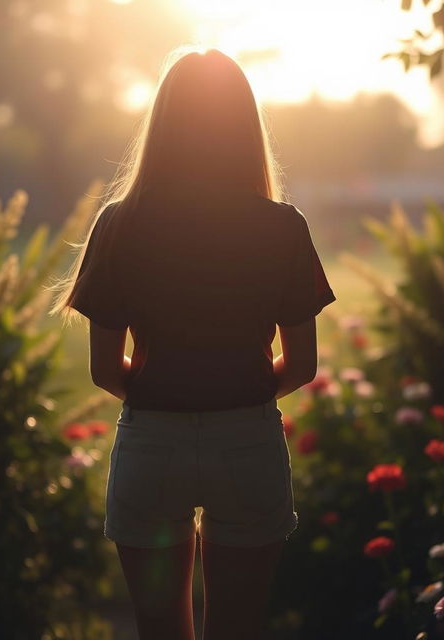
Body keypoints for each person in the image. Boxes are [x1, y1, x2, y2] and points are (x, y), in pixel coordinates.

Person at [51, 46, 336, 640]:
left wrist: (166, 395)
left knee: (159, 629)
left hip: (152, 443)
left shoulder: (119, 223)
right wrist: (240, 391)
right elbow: (303, 364)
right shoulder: (283, 226)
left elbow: (105, 369)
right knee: (235, 629)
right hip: (247, 442)